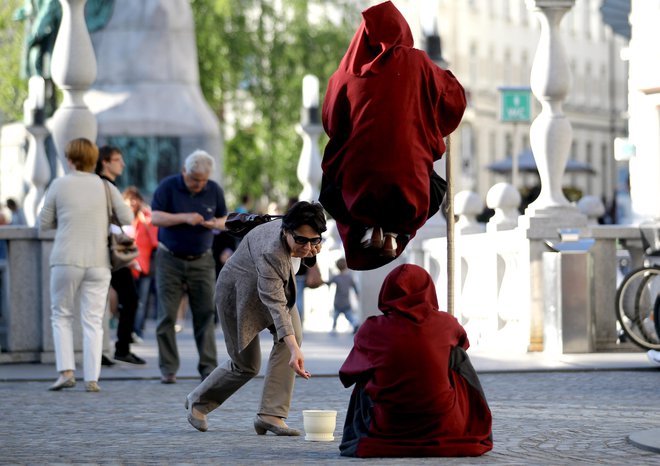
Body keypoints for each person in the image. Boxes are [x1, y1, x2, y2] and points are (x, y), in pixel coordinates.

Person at [319, 1, 466, 271]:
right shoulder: (418, 62)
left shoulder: (342, 76)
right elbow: (454, 97)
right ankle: (395, 233)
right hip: (410, 187)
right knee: (421, 179)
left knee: (335, 180)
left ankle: (371, 227)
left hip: (358, 189)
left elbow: (330, 123)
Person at [184, 201, 326, 435]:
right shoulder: (271, 250)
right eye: (301, 240)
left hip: (274, 290)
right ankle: (198, 401)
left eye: (314, 240)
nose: (307, 245)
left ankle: (271, 414)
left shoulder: (301, 232)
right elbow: (276, 304)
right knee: (246, 365)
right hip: (239, 296)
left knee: (292, 337)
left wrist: (311, 251)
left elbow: (297, 263)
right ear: (286, 231)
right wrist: (293, 349)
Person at [338, 264, 492, 458]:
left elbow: (348, 373)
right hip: (445, 425)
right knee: (457, 356)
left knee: (364, 369)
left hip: (388, 426)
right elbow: (463, 344)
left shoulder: (371, 328)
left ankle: (359, 433)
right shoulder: (447, 323)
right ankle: (476, 421)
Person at [39, 138, 133, 392]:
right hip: (99, 261)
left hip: (65, 259)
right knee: (93, 319)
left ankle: (66, 372)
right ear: (94, 160)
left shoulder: (59, 185)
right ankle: (92, 378)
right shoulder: (105, 187)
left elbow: (43, 224)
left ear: (70, 159)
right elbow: (127, 217)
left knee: (61, 315)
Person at [151, 150, 228, 383]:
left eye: (203, 180)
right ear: (184, 171)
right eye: (194, 179)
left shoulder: (214, 190)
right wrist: (184, 218)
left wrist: (215, 223)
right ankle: (168, 368)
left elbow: (225, 219)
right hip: (169, 259)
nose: (198, 185)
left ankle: (207, 367)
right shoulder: (168, 186)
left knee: (205, 313)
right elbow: (154, 218)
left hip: (202, 259)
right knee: (167, 315)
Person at [96, 146, 146, 365]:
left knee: (108, 301)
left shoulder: (104, 185)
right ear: (105, 162)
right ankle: (118, 349)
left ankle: (112, 349)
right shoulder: (105, 185)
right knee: (126, 299)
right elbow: (123, 218)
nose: (123, 164)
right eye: (118, 160)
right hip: (107, 251)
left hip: (107, 249)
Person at [122, 186, 158, 340]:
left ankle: (137, 331)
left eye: (135, 200)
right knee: (127, 301)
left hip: (144, 266)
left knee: (141, 300)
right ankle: (127, 331)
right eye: (130, 201)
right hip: (127, 264)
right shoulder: (123, 218)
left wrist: (145, 221)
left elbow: (155, 241)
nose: (133, 204)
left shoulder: (146, 219)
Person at [327, 257, 360, 333]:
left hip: (338, 301)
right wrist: (357, 294)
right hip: (346, 302)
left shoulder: (336, 277)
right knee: (349, 316)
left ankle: (333, 328)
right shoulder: (349, 277)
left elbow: (328, 283)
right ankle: (355, 324)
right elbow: (355, 287)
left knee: (335, 316)